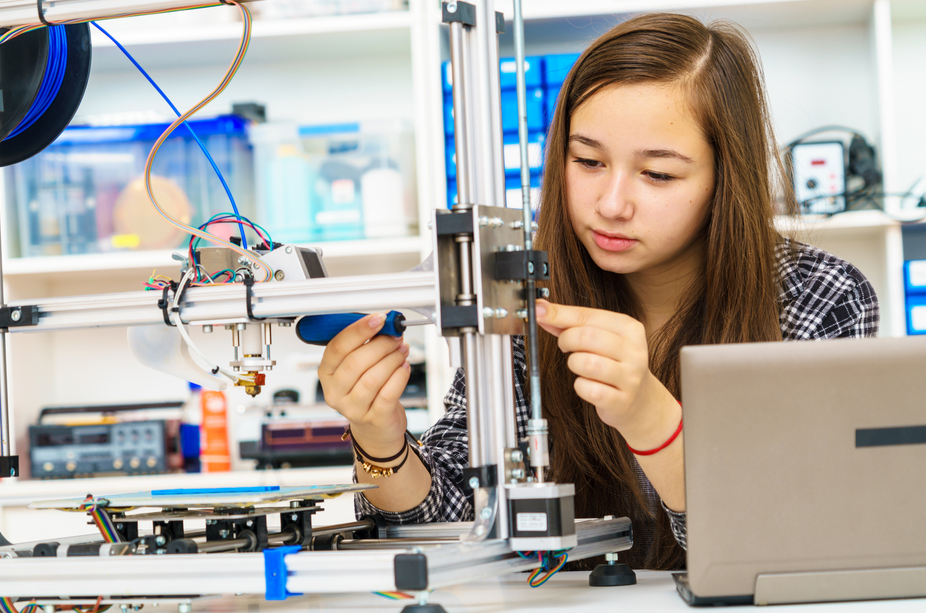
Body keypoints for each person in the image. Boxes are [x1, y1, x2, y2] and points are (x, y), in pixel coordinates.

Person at [316, 12, 879, 571]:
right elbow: (456, 516)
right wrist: (378, 434)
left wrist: (650, 418)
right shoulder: (529, 296)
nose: (611, 203)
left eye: (657, 174)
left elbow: (801, 545)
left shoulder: (820, 298)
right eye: (587, 161)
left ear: (725, 177)